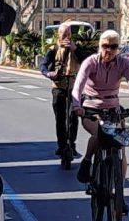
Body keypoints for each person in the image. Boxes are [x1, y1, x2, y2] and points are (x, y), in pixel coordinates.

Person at [72, 30, 129, 212]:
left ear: (118, 48)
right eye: (105, 46)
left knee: (120, 146)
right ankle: (88, 159)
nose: (109, 50)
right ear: (100, 46)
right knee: (98, 135)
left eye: (113, 47)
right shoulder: (90, 62)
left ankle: (119, 193)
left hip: (113, 109)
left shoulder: (124, 63)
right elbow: (78, 87)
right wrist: (77, 106)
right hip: (90, 108)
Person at [40, 21, 87, 157]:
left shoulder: (77, 49)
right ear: (58, 35)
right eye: (63, 34)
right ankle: (61, 145)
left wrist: (75, 49)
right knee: (60, 118)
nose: (66, 37)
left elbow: (87, 60)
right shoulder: (53, 49)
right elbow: (43, 65)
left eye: (68, 34)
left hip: (74, 87)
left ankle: (71, 144)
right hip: (59, 87)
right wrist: (49, 73)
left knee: (73, 117)